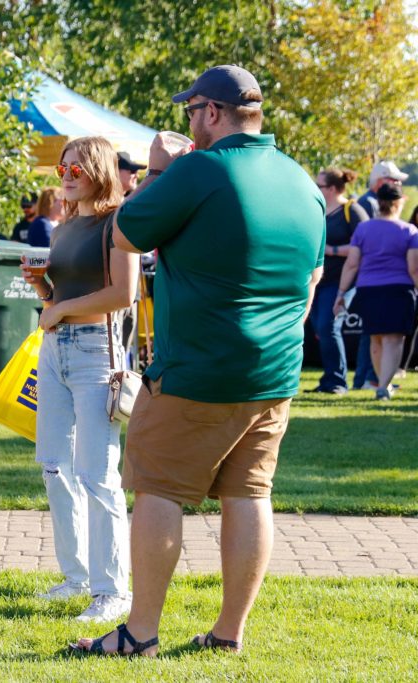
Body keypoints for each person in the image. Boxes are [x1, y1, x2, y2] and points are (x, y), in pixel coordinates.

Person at [73, 65, 324, 656]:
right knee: (250, 495)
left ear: (211, 112)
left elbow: (126, 233)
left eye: (191, 111)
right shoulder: (301, 180)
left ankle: (139, 635)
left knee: (157, 489)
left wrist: (166, 170)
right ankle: (227, 634)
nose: (188, 121)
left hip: (197, 369)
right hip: (274, 372)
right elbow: (312, 276)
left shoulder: (200, 170)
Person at [20, 137, 137, 622]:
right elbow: (60, 292)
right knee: (54, 466)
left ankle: (113, 591)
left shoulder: (117, 223)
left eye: (77, 168)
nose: (66, 174)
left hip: (94, 351)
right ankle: (77, 578)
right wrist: (43, 287)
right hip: (55, 350)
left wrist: (62, 306)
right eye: (63, 167)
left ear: (98, 171)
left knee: (96, 474)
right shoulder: (66, 223)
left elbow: (124, 294)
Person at [334, 184, 418, 400]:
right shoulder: (409, 231)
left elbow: (352, 264)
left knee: (376, 339)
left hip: (367, 289)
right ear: (400, 203)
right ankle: (383, 386)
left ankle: (382, 384)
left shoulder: (364, 229)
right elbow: (413, 268)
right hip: (399, 289)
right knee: (394, 340)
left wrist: (341, 293)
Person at [308, 168, 369, 394]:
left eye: (319, 185)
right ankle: (329, 380)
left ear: (332, 189)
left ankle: (336, 381)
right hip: (318, 281)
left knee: (328, 326)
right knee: (320, 329)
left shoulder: (352, 211)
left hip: (341, 282)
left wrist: (330, 249)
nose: (315, 188)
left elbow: (363, 246)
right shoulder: (318, 210)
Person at [353, 161, 407, 389]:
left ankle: (373, 380)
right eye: (393, 180)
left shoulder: (370, 203)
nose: (396, 185)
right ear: (380, 180)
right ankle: (372, 380)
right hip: (376, 282)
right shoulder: (368, 205)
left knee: (375, 337)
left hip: (369, 282)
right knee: (376, 338)